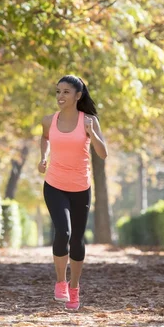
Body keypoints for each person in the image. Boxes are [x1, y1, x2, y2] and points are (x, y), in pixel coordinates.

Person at [38, 75, 108, 310]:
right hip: (54, 184)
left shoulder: (89, 121)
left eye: (66, 92)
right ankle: (60, 283)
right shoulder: (49, 120)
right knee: (63, 231)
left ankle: (75, 287)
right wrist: (43, 157)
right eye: (58, 91)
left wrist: (93, 133)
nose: (60, 96)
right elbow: (45, 138)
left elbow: (103, 153)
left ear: (78, 95)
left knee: (77, 240)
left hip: (80, 187)